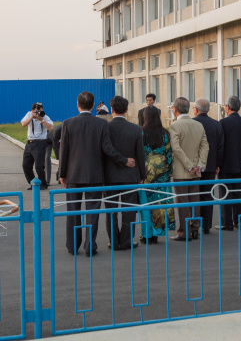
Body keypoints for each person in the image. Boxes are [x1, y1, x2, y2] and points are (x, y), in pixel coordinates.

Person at [59, 91, 136, 257]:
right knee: (92, 212)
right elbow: (108, 149)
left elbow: (63, 151)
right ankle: (89, 246)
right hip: (94, 175)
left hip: (73, 175)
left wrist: (62, 173)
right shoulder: (101, 124)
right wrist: (124, 160)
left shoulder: (68, 123)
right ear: (93, 106)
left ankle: (72, 246)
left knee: (73, 211)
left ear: (77, 105)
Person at [104, 96, 146, 250]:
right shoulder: (136, 129)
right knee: (129, 209)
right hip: (130, 175)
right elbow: (140, 155)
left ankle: (113, 241)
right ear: (127, 110)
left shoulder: (105, 128)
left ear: (111, 109)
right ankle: (127, 241)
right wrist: (141, 175)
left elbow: (105, 152)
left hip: (109, 176)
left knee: (111, 210)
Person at [169, 97, 209, 241]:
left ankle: (184, 232)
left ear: (175, 109)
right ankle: (195, 228)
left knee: (183, 203)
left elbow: (176, 148)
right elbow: (205, 146)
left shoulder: (175, 126)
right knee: (194, 200)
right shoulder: (198, 125)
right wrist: (200, 165)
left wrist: (188, 165)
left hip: (181, 170)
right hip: (196, 171)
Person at [139, 106, 176, 244]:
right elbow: (169, 154)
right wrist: (169, 171)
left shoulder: (141, 132)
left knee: (146, 205)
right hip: (162, 173)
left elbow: (139, 153)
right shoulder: (165, 133)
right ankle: (157, 233)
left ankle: (147, 234)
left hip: (146, 173)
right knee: (160, 203)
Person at [216, 96, 241, 231]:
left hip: (225, 163)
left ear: (227, 107)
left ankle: (227, 222)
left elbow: (221, 145)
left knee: (225, 193)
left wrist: (218, 163)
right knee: (238, 192)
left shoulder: (223, 122)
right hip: (240, 163)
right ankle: (239, 220)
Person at [193, 99, 224, 234]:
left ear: (195, 109)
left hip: (194, 166)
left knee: (195, 195)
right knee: (208, 194)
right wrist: (218, 164)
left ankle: (195, 224)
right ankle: (207, 225)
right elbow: (221, 147)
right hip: (211, 165)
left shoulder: (192, 123)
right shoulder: (216, 124)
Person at [21, 103, 54, 190]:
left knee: (39, 166)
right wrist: (31, 117)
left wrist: (42, 120)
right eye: (37, 111)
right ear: (33, 110)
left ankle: (43, 184)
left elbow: (51, 127)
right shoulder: (29, 114)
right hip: (29, 143)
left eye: (41, 110)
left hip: (40, 142)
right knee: (26, 165)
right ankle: (33, 183)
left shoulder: (44, 116)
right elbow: (23, 124)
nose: (39, 112)